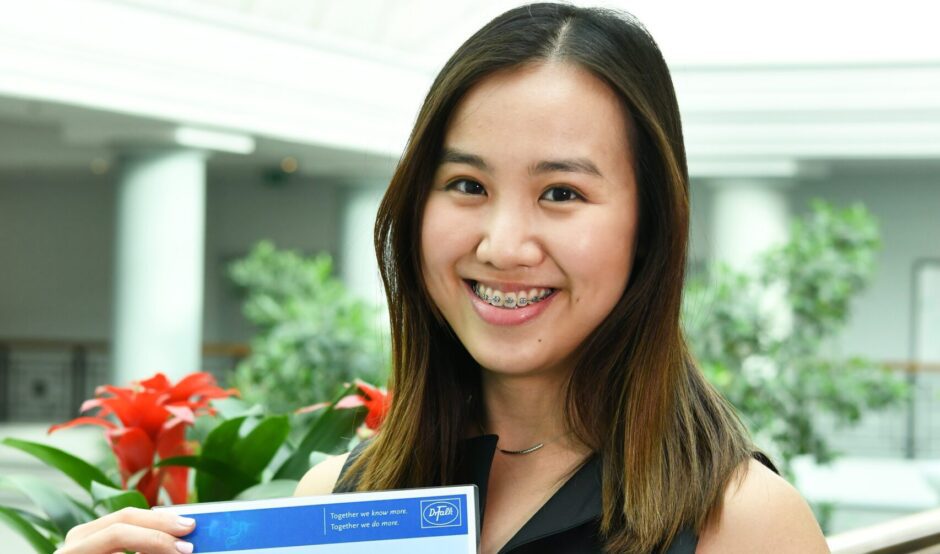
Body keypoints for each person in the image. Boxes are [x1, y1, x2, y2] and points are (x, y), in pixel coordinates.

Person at [58, 3, 829, 554]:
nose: (503, 243)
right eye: (467, 184)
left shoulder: (745, 525)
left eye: (561, 193)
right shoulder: (334, 502)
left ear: (651, 225)